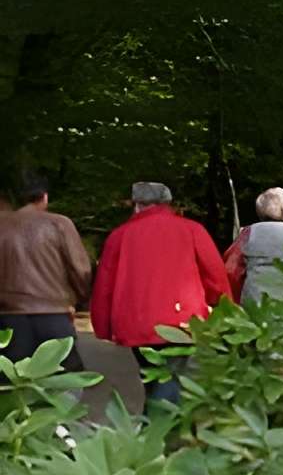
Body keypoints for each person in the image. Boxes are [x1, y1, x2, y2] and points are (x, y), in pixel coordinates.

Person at [87, 181, 231, 410]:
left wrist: (103, 327)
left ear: (136, 205)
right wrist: (223, 307)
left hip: (137, 321)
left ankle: (155, 430)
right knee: (170, 376)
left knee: (154, 376)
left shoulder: (119, 236)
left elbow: (104, 286)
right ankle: (159, 431)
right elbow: (215, 274)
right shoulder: (192, 230)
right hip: (182, 320)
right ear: (168, 203)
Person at [0, 172, 94, 368]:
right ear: (44, 197)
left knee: (11, 381)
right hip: (53, 313)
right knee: (67, 379)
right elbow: (80, 270)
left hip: (8, 315)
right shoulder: (59, 223)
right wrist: (80, 299)